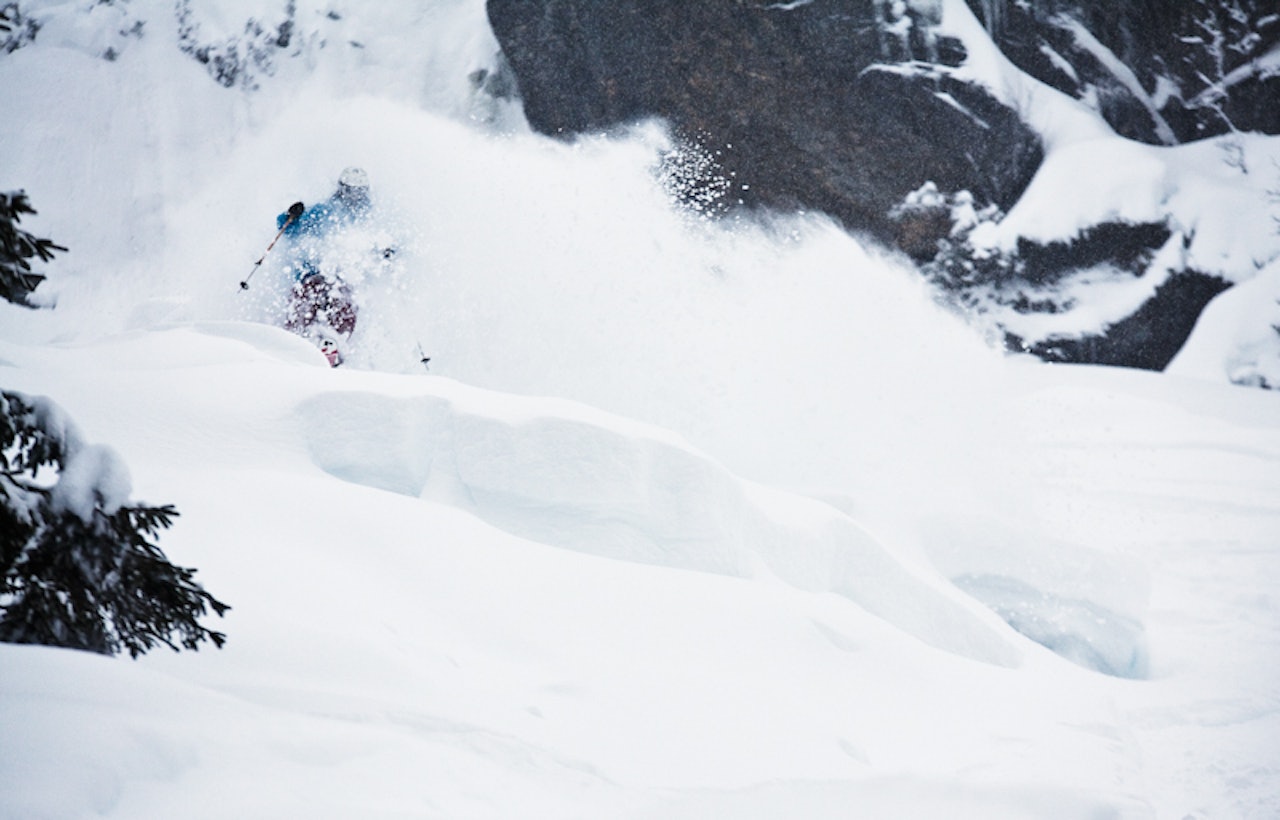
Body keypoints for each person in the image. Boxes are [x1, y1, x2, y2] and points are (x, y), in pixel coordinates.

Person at [276, 167, 371, 365]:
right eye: (349, 192)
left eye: (358, 193)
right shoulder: (324, 212)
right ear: (341, 190)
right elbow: (288, 227)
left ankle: (334, 343)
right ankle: (293, 342)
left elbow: (380, 242)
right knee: (310, 294)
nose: (353, 198)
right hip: (312, 273)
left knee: (344, 300)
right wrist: (291, 216)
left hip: (343, 277)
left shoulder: (369, 219)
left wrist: (388, 252)